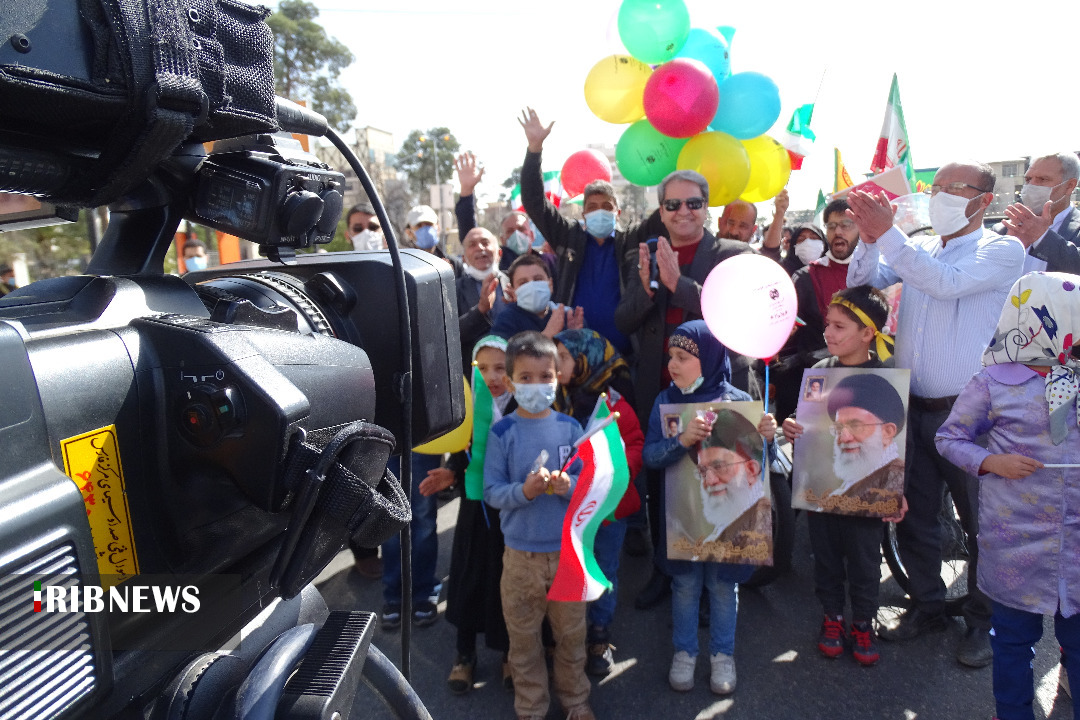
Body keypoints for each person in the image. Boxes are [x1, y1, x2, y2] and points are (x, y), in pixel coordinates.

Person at [845, 161, 1026, 667]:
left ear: (983, 201)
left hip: (972, 416)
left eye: (954, 189)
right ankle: (927, 604)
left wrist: (891, 235)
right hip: (913, 408)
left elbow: (946, 284)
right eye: (936, 187)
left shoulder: (1001, 250)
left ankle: (984, 621)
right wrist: (867, 239)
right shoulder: (919, 245)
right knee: (916, 515)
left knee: (983, 523)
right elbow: (862, 284)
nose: (940, 196)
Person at [935, 272, 1080, 720]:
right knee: (1013, 641)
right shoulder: (993, 382)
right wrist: (990, 462)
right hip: (1015, 538)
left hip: (1075, 542)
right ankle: (1013, 712)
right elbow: (949, 437)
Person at [616, 169, 752, 610]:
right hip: (662, 394)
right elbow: (625, 320)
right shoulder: (646, 253)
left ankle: (719, 579)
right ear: (661, 211)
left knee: (717, 480)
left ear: (706, 207)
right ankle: (665, 569)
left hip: (714, 392)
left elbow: (736, 319)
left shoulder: (732, 253)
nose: (682, 212)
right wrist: (648, 286)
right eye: (672, 205)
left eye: (692, 203)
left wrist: (681, 286)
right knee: (665, 484)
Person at [642, 321, 775, 695]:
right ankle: (685, 652)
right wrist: (682, 441)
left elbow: (763, 467)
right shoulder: (665, 402)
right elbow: (650, 457)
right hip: (684, 520)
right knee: (684, 586)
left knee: (721, 588)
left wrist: (767, 437)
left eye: (683, 357)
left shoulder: (736, 400)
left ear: (710, 359)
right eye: (671, 356)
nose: (673, 364)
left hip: (730, 524)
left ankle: (722, 655)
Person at [782, 286, 906, 667]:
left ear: (868, 333)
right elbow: (807, 424)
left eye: (839, 327)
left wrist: (900, 491)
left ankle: (864, 622)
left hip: (869, 499)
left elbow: (902, 442)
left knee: (867, 563)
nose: (828, 334)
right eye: (827, 326)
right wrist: (791, 426)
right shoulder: (819, 373)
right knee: (828, 560)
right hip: (823, 492)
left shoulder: (887, 376)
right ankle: (833, 617)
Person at [483, 331, 594, 720]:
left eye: (545, 376)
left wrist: (568, 487)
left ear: (558, 375)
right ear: (511, 382)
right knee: (524, 641)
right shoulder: (502, 433)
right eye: (525, 378)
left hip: (566, 555)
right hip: (520, 558)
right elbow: (492, 492)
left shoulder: (570, 429)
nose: (536, 385)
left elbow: (588, 487)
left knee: (571, 637)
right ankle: (530, 708)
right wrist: (524, 491)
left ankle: (576, 701)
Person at [518, 107, 662, 357]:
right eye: (592, 207)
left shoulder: (631, 241)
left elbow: (666, 213)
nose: (599, 211)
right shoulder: (568, 238)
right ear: (583, 214)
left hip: (626, 355)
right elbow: (534, 204)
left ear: (617, 212)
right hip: (575, 354)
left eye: (606, 206)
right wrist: (534, 150)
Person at [422, 335, 515, 696]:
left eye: (501, 367)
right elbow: (463, 456)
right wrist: (453, 474)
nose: (493, 376)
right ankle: (464, 654)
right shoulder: (470, 410)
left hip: (511, 511)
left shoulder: (520, 409)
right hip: (476, 512)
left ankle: (509, 652)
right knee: (469, 575)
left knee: (507, 579)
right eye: (483, 368)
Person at [553, 328, 644, 677]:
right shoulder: (554, 399)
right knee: (572, 567)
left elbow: (634, 443)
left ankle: (600, 636)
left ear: (585, 359)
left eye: (563, 357)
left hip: (606, 508)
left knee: (604, 569)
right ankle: (570, 636)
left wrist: (618, 468)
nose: (555, 363)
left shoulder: (613, 403)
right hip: (566, 506)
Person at [691, 410, 772, 552]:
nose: (709, 481)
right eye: (703, 471)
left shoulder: (754, 537)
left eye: (719, 467)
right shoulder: (714, 537)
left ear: (751, 470)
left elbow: (771, 455)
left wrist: (769, 438)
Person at [1001, 152, 1080, 274]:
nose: (1031, 185)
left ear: (1070, 186)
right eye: (1028, 179)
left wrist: (1042, 237)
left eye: (1042, 179)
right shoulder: (1003, 230)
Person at [491, 253, 582, 341]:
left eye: (538, 279)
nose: (532, 285)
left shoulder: (568, 316)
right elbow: (501, 354)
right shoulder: (506, 320)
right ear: (514, 291)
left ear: (550, 284)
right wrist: (547, 335)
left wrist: (577, 341)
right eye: (523, 283)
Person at [456, 227, 508, 371]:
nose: (480, 248)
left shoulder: (514, 283)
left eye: (485, 243)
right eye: (472, 245)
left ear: (499, 253)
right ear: (464, 258)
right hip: (474, 373)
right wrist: (480, 311)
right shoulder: (453, 289)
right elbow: (449, 335)